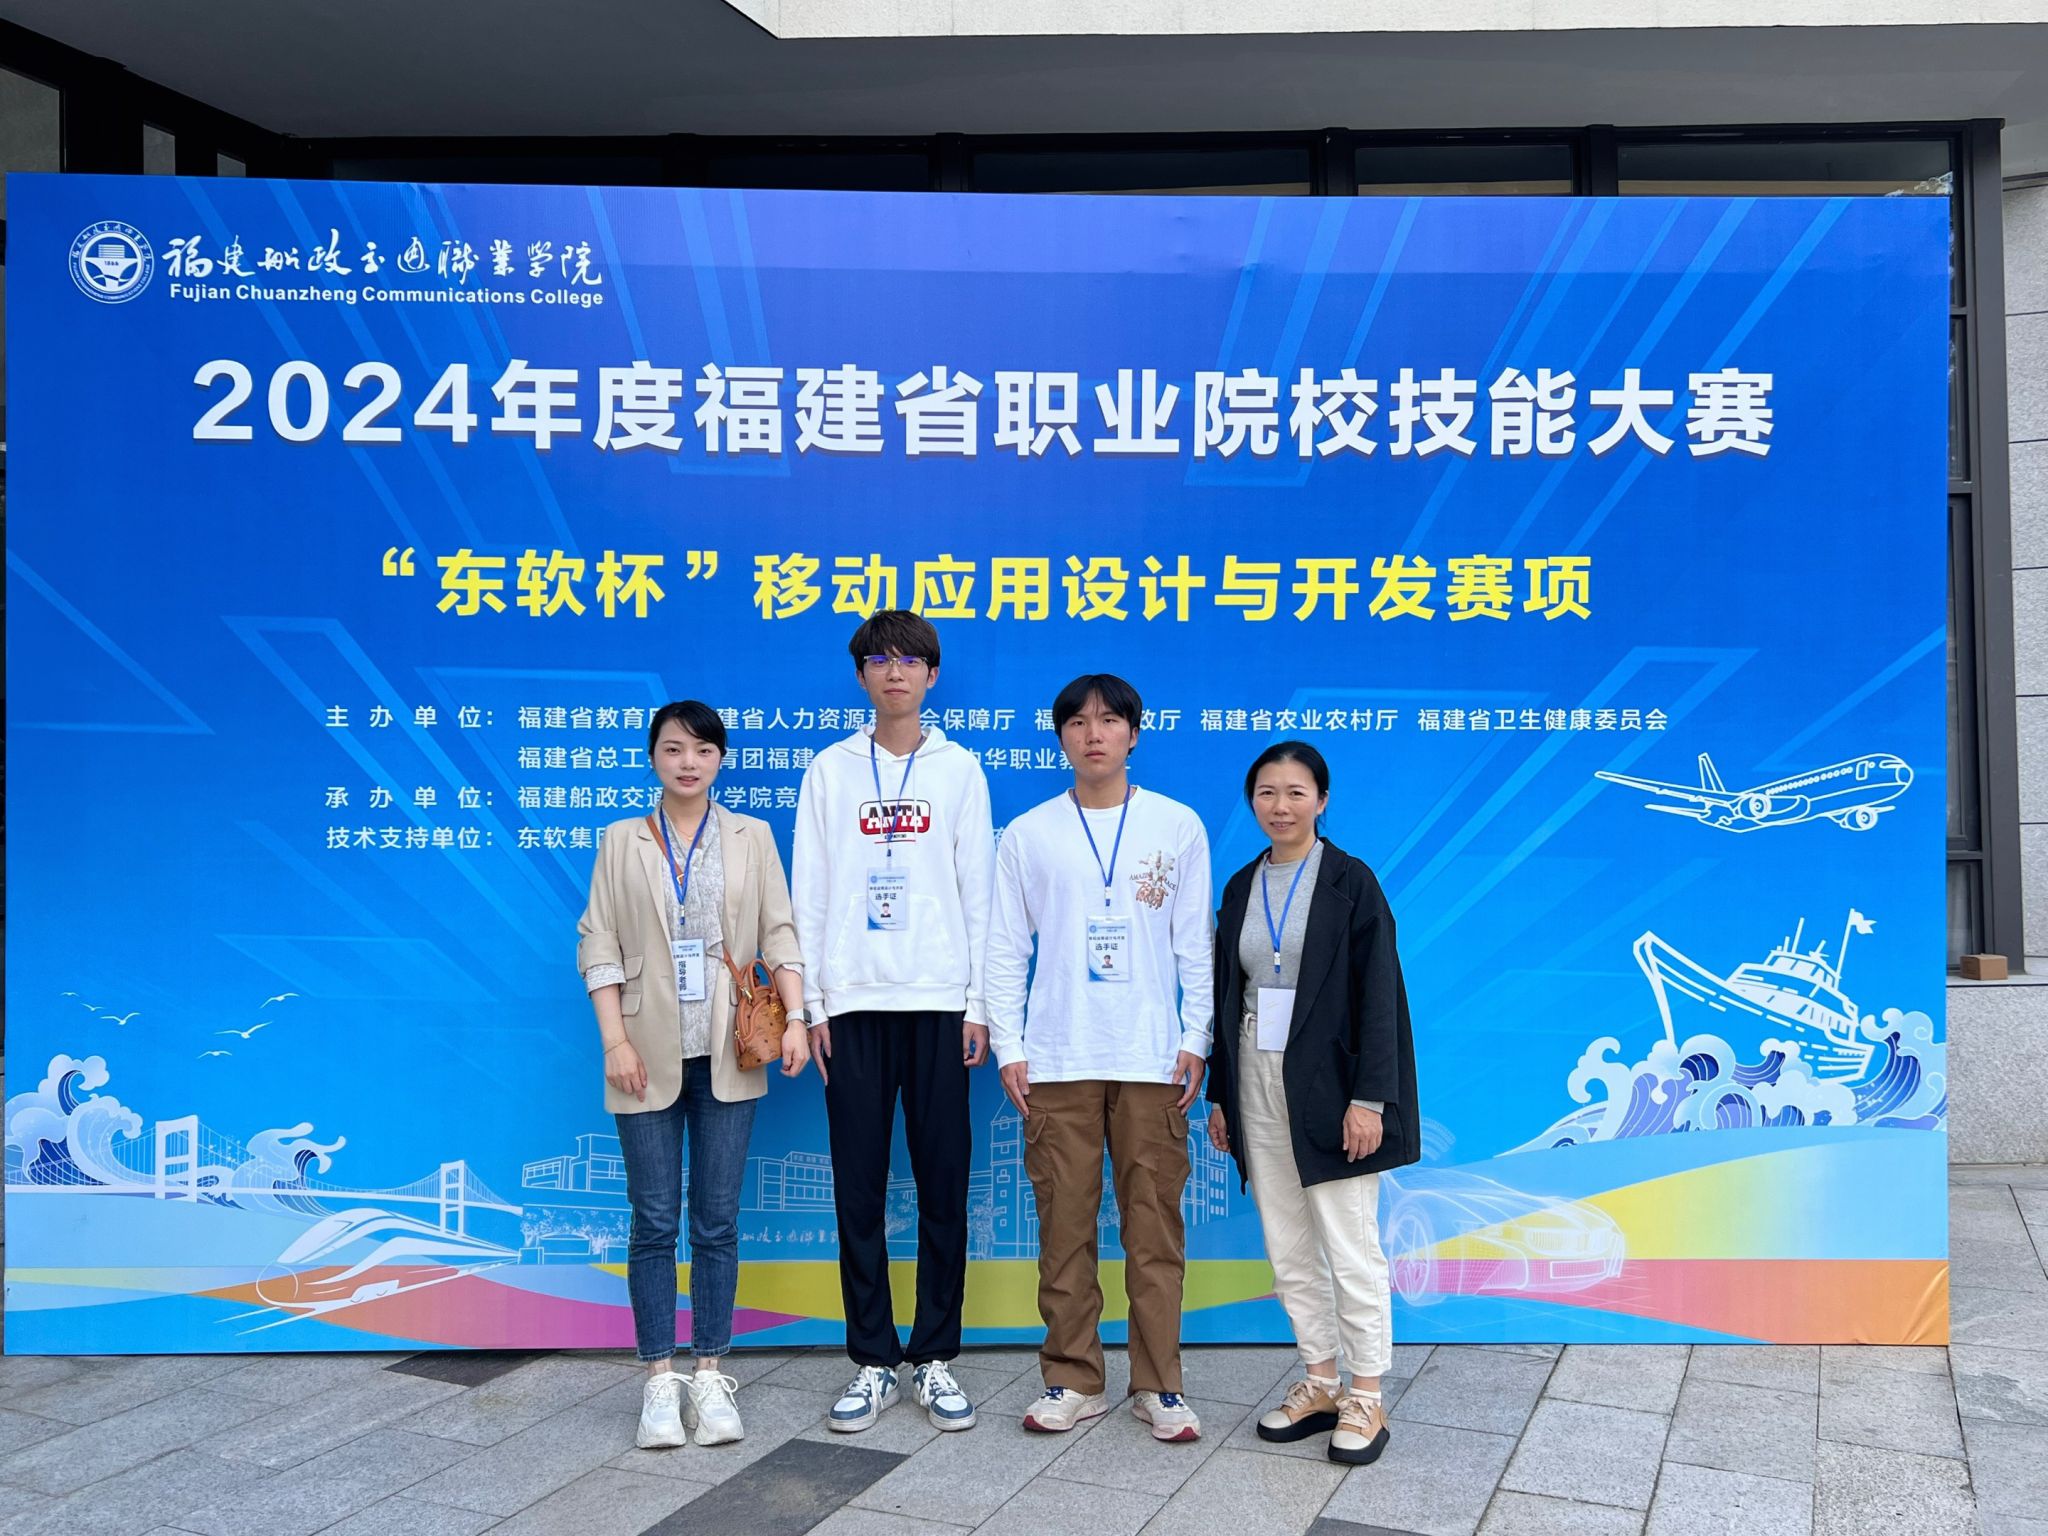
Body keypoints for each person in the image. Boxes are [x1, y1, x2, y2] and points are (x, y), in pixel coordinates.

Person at [577, 700, 812, 1450]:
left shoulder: (751, 836)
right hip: (643, 1054)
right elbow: (598, 941)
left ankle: (709, 1373)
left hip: (729, 1050)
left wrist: (797, 1017)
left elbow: (779, 931)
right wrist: (614, 1041)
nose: (689, 762)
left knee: (716, 1221)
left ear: (720, 760)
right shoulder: (621, 839)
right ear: (653, 756)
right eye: (675, 748)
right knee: (653, 1222)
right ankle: (658, 1379)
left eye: (704, 750)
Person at [987, 674, 1215, 1442]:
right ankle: (1073, 1379)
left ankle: (1160, 1385)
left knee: (1154, 1231)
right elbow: (1005, 948)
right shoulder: (1028, 834)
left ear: (1134, 734)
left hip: (1152, 1059)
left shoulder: (1176, 825)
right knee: (1065, 1228)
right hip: (1058, 1058)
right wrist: (1011, 1045)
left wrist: (1196, 1036)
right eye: (1079, 722)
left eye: (1111, 720)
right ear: (1061, 737)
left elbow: (1195, 942)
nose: (1094, 734)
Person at [792, 610, 995, 1434]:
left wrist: (978, 1005)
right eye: (879, 660)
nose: (895, 673)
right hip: (853, 1006)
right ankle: (874, 1360)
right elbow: (807, 890)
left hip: (940, 1005)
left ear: (932, 675)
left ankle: (935, 1355)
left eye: (911, 661)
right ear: (861, 676)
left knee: (944, 1185)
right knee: (859, 1190)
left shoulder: (960, 770)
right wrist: (813, 1007)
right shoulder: (830, 770)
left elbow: (979, 890)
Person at [1205, 741, 1421, 1466]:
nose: (1281, 805)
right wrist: (1222, 1096)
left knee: (1349, 1244)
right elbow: (1226, 996)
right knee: (1289, 1245)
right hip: (1256, 1075)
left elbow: (1381, 996)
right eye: (1267, 792)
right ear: (1252, 801)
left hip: (1331, 1085)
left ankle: (1367, 1394)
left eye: (1296, 792)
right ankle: (1321, 1381)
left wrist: (1370, 1100)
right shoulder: (1242, 885)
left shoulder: (1351, 883)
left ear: (1321, 801)